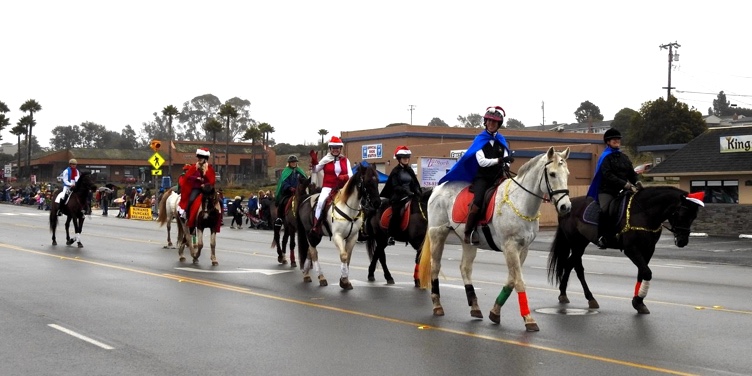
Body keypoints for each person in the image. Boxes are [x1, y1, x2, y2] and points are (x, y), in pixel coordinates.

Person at [438, 106, 513, 244]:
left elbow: (506, 159)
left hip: (499, 177)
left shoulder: (502, 141)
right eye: (489, 121)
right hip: (482, 178)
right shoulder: (480, 139)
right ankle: (469, 231)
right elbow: (482, 162)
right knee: (478, 200)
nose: (491, 124)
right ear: (485, 122)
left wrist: (507, 163)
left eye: (494, 122)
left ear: (498, 125)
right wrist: (500, 160)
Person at [587, 128, 642, 248]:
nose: (617, 141)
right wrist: (625, 184)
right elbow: (608, 175)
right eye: (614, 139)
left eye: (618, 139)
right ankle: (602, 236)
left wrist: (637, 182)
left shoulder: (624, 157)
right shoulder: (605, 157)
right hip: (607, 191)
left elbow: (631, 173)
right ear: (608, 142)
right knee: (606, 210)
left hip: (623, 190)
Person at [310, 136, 353, 235]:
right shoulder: (326, 159)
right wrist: (314, 162)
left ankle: (360, 225)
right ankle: (316, 225)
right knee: (321, 202)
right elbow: (315, 170)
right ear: (330, 149)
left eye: (337, 148)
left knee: (357, 201)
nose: (335, 149)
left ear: (340, 149)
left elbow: (351, 174)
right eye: (333, 147)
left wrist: (344, 177)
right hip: (328, 187)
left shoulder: (345, 160)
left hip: (343, 187)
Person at [380, 146, 422, 246]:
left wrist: (418, 191)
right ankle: (391, 235)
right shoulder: (395, 171)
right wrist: (406, 192)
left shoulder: (410, 170)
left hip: (411, 195)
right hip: (398, 197)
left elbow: (415, 183)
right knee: (397, 213)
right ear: (399, 159)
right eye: (404, 158)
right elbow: (395, 186)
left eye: (407, 157)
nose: (406, 159)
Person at [178, 148, 217, 221]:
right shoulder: (194, 167)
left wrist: (206, 185)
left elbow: (212, 180)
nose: (199, 159)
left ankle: (218, 217)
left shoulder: (209, 168)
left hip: (207, 189)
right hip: (197, 188)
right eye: (198, 157)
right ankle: (186, 214)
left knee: (218, 200)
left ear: (205, 158)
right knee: (191, 200)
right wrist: (197, 178)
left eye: (200, 157)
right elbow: (187, 177)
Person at [274, 155, 308, 230]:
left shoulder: (300, 171)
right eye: (292, 162)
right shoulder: (285, 171)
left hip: (300, 192)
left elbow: (304, 180)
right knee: (282, 202)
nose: (293, 163)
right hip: (289, 192)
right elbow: (283, 182)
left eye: (294, 162)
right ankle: (279, 219)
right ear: (289, 163)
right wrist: (289, 187)